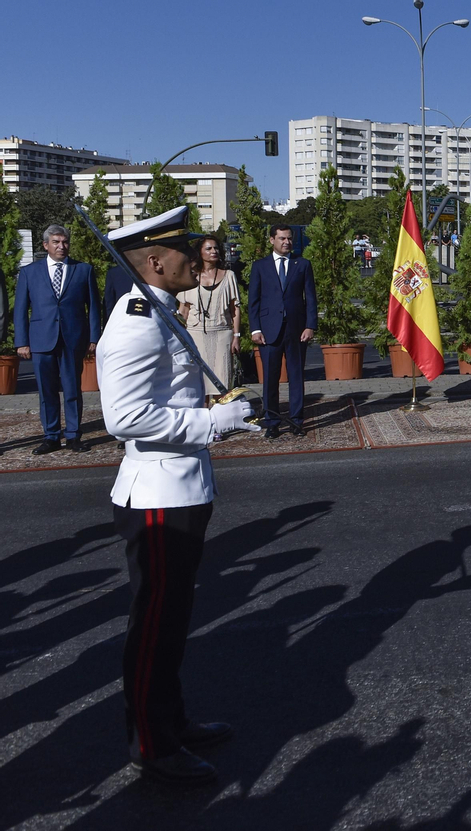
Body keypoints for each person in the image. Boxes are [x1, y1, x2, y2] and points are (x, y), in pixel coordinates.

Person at [98, 204, 260, 785]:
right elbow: (124, 416)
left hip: (182, 486)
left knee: (174, 619)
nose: (199, 257)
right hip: (158, 494)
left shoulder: (161, 309)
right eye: (187, 250)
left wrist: (210, 412)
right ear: (156, 261)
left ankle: (170, 720)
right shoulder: (139, 319)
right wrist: (209, 424)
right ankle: (151, 745)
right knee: (155, 627)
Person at [15, 224, 100, 454]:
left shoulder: (83, 270)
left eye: (64, 242)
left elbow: (93, 307)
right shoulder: (29, 272)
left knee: (73, 389)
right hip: (41, 340)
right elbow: (21, 309)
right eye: (56, 242)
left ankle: (73, 435)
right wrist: (21, 341)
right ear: (46, 245)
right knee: (47, 390)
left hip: (73, 339)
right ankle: (51, 436)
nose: (61, 246)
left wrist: (93, 337)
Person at [247, 224, 317, 439]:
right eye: (281, 239)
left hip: (296, 329)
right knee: (270, 378)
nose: (286, 242)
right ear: (271, 240)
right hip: (269, 331)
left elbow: (311, 298)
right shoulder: (260, 266)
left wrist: (310, 325)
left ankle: (296, 420)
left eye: (289, 239)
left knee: (296, 376)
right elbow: (254, 301)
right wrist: (255, 329)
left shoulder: (302, 264)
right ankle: (272, 421)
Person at [175, 236, 242, 412]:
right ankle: (203, 420)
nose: (213, 252)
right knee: (200, 382)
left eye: (215, 248)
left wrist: (236, 336)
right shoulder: (190, 276)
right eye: (208, 249)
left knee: (222, 380)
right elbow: (183, 310)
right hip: (195, 334)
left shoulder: (229, 276)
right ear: (200, 252)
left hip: (222, 333)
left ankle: (221, 419)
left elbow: (235, 309)